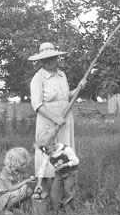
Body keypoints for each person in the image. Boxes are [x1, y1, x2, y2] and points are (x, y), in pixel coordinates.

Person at [29, 42, 86, 195]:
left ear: (56, 58)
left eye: (51, 58)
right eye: (44, 59)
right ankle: (45, 191)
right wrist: (54, 118)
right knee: (47, 153)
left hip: (65, 118)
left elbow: (66, 95)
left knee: (64, 152)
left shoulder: (62, 75)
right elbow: (37, 105)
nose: (48, 61)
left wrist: (79, 88)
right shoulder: (38, 78)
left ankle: (64, 190)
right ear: (40, 61)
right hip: (48, 121)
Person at [35, 129, 79, 213]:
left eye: (46, 149)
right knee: (54, 192)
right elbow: (42, 168)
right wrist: (39, 184)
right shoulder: (48, 154)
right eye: (42, 150)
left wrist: (64, 165)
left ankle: (70, 211)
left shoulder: (65, 150)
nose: (45, 152)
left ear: (52, 144)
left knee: (68, 191)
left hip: (71, 172)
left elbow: (76, 161)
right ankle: (55, 211)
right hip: (59, 173)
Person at [0, 147, 36, 215]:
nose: (24, 166)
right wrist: (25, 182)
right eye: (22, 165)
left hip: (12, 193)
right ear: (14, 163)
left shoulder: (20, 169)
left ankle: (13, 206)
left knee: (29, 191)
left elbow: (22, 180)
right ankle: (5, 209)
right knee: (23, 192)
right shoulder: (6, 171)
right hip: (4, 194)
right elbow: (11, 188)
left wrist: (25, 185)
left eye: (25, 164)